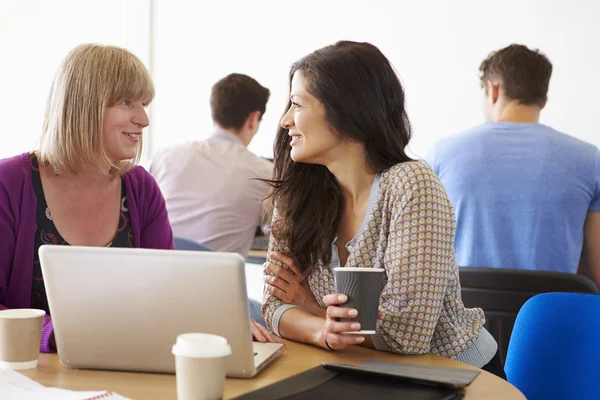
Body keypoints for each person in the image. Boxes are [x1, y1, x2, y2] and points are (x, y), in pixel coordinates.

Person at [0, 44, 276, 353]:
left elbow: (167, 294)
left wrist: (212, 321)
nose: (143, 119)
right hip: (28, 376)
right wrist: (57, 333)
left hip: (124, 368)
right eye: (126, 102)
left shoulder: (140, 188)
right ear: (82, 105)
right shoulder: (9, 184)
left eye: (144, 104)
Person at [260, 41, 503, 378]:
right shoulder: (297, 193)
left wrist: (311, 308)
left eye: (297, 104)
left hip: (452, 374)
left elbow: (407, 335)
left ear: (344, 111)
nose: (286, 120)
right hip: (356, 369)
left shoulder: (412, 185)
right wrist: (322, 331)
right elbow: (273, 306)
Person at [425, 44, 600, 287]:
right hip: (552, 322)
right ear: (543, 100)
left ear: (493, 90)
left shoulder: (441, 154)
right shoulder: (590, 160)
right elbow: (597, 270)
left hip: (464, 320)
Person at [150, 73, 273, 260]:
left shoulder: (165, 156)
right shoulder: (264, 173)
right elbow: (279, 233)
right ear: (253, 119)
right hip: (216, 284)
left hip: (156, 277)